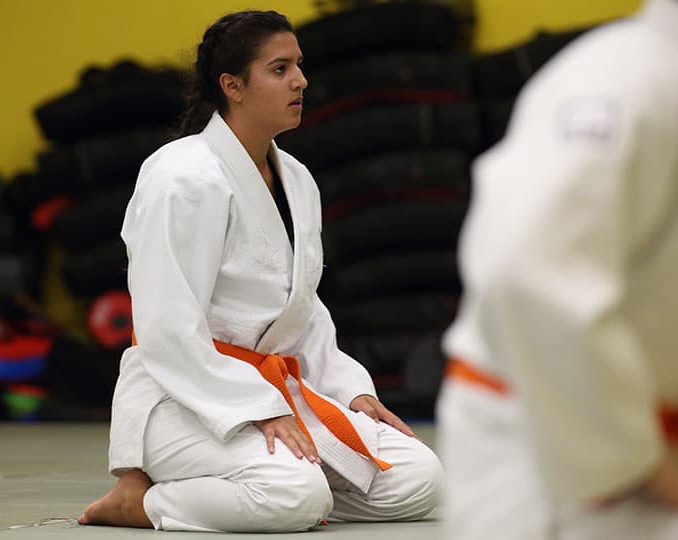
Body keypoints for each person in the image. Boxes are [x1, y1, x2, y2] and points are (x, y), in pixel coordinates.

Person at [78, 10, 443, 533]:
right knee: (294, 491)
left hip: (274, 392)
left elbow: (302, 309)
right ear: (233, 86)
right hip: (180, 396)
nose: (301, 80)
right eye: (279, 69)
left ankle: (283, 492)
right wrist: (251, 405)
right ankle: (145, 503)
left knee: (419, 477)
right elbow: (165, 326)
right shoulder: (182, 176)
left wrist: (350, 389)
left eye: (299, 65)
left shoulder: (296, 178)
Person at [438, 0, 678, 538]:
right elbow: (531, 272)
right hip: (567, 459)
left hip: (673, 440)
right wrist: (634, 464)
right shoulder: (622, 78)